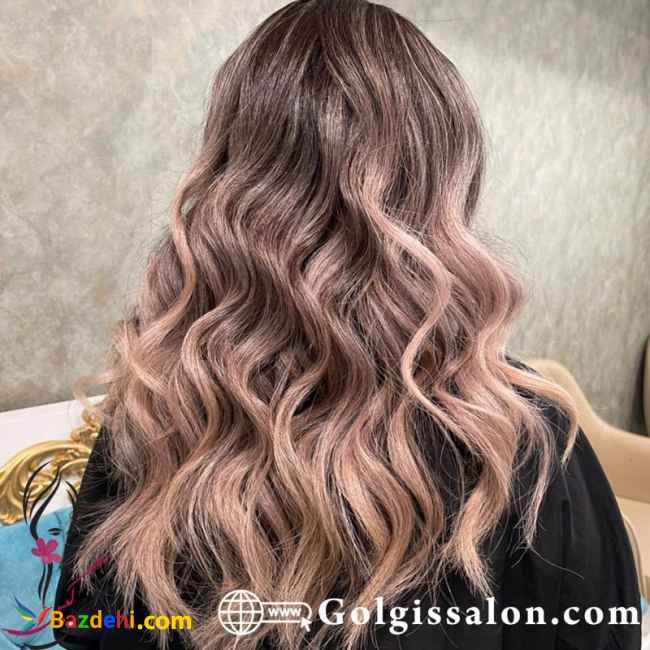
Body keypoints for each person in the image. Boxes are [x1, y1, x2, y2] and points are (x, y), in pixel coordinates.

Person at [53, 1, 642, 648]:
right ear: (444, 184)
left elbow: (89, 625)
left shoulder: (154, 411)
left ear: (228, 170)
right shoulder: (520, 438)